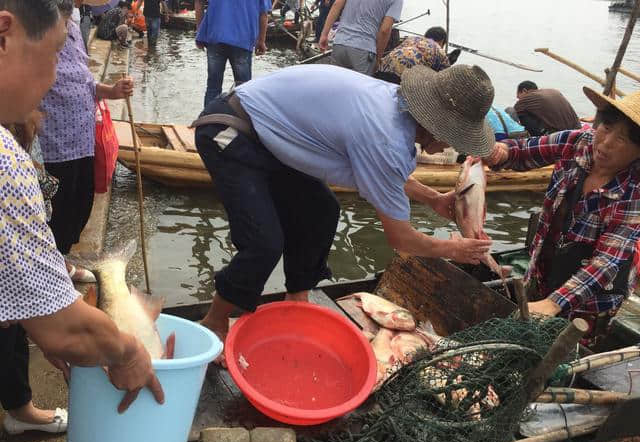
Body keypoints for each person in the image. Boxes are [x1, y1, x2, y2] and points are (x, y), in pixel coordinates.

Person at [192, 63, 495, 354]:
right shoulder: (386, 136)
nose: (451, 148)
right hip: (230, 129)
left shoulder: (393, 106)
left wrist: (433, 199)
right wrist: (452, 251)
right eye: (454, 139)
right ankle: (215, 320)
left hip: (269, 137)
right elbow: (400, 239)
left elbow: (382, 174)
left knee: (322, 210)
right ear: (436, 127)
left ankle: (297, 297)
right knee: (264, 243)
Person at [0, 2, 163, 442]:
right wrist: (128, 352)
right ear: (4, 33)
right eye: (52, 54)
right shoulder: (4, 161)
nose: (53, 78)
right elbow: (63, 329)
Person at [485, 87, 640, 347]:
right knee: (524, 339)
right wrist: (502, 152)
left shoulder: (634, 190)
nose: (606, 142)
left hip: (591, 298)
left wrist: (553, 303)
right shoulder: (577, 142)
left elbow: (607, 261)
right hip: (544, 268)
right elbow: (524, 152)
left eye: (623, 139)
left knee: (563, 353)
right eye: (606, 127)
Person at [39, 0, 136, 282]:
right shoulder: (38, 23)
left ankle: (61, 261)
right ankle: (52, 269)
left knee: (81, 203)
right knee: (55, 209)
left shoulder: (72, 23)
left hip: (82, 134)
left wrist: (112, 91)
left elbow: (83, 80)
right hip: (52, 140)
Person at [195, 0, 271, 106]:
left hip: (215, 37)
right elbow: (263, 14)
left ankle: (208, 120)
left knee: (213, 87)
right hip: (242, 41)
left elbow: (199, 3)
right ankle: (242, 121)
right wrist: (261, 41)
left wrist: (200, 32)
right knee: (244, 90)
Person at [319, 0, 404, 76]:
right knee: (360, 91)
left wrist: (324, 35)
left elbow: (336, 5)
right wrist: (377, 59)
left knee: (336, 87)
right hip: (364, 50)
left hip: (340, 43)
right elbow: (384, 30)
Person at [376, 26, 451, 84]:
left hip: (382, 69)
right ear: (442, 41)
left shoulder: (412, 39)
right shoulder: (440, 51)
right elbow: (445, 79)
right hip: (403, 79)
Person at [514, 80, 581, 136]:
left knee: (516, 112)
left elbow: (513, 112)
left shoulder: (527, 98)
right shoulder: (554, 91)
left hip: (560, 135)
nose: (518, 99)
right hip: (578, 130)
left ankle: (537, 137)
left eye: (518, 96)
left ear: (524, 91)